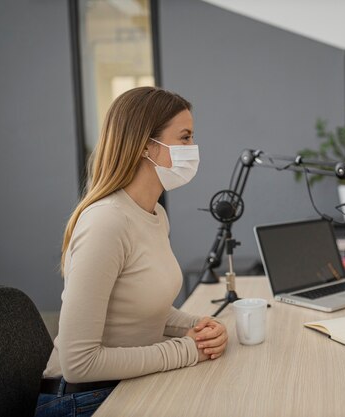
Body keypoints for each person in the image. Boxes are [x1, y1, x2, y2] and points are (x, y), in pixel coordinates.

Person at [36, 87, 228, 417]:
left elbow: (144, 310)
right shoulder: (106, 222)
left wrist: (199, 327)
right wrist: (187, 350)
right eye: (184, 138)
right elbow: (79, 362)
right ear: (144, 145)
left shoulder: (154, 214)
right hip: (81, 400)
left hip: (125, 384)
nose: (192, 149)